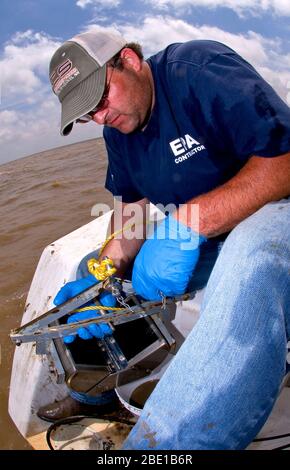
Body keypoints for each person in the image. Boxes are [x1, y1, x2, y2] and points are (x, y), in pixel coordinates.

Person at [37, 30, 290, 449]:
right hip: (207, 235)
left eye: (99, 99)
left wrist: (190, 220)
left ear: (130, 60)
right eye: (87, 114)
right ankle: (93, 395)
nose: (99, 117)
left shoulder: (199, 69)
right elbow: (128, 222)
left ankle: (167, 448)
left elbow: (283, 158)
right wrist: (103, 273)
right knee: (91, 276)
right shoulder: (117, 133)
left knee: (248, 257)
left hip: (275, 213)